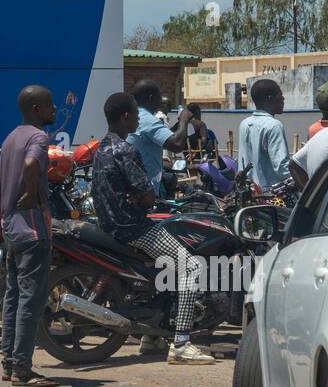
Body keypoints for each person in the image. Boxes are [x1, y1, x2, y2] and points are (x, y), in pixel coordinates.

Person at [93, 91, 216, 364]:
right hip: (132, 228)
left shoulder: (102, 147)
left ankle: (152, 336)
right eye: (136, 115)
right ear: (125, 117)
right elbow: (147, 195)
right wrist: (142, 196)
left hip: (111, 224)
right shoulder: (125, 150)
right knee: (191, 266)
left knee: (165, 268)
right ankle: (182, 342)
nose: (138, 119)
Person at [0, 85, 60, 384]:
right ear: (36, 109)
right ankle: (23, 368)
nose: (54, 109)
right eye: (49, 105)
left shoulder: (10, 138)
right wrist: (32, 193)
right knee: (30, 300)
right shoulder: (38, 137)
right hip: (32, 229)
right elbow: (32, 163)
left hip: (10, 229)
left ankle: (9, 364)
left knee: (12, 297)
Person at [130, 80, 193, 196]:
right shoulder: (147, 119)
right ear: (151, 98)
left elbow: (167, 135)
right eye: (159, 96)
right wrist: (184, 119)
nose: (161, 100)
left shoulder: (136, 115)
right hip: (144, 192)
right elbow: (177, 144)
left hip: (135, 186)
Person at [237, 79, 290, 191]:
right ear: (270, 99)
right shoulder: (274, 126)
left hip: (248, 193)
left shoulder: (245, 124)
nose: (283, 99)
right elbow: (282, 168)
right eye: (280, 95)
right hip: (270, 195)